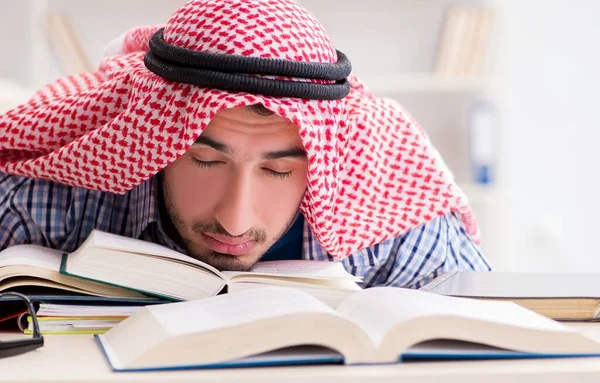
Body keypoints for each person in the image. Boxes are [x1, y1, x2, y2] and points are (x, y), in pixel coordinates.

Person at [0, 0, 490, 289]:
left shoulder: (392, 210)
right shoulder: (48, 201)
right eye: (207, 159)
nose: (234, 221)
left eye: (278, 171)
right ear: (154, 136)